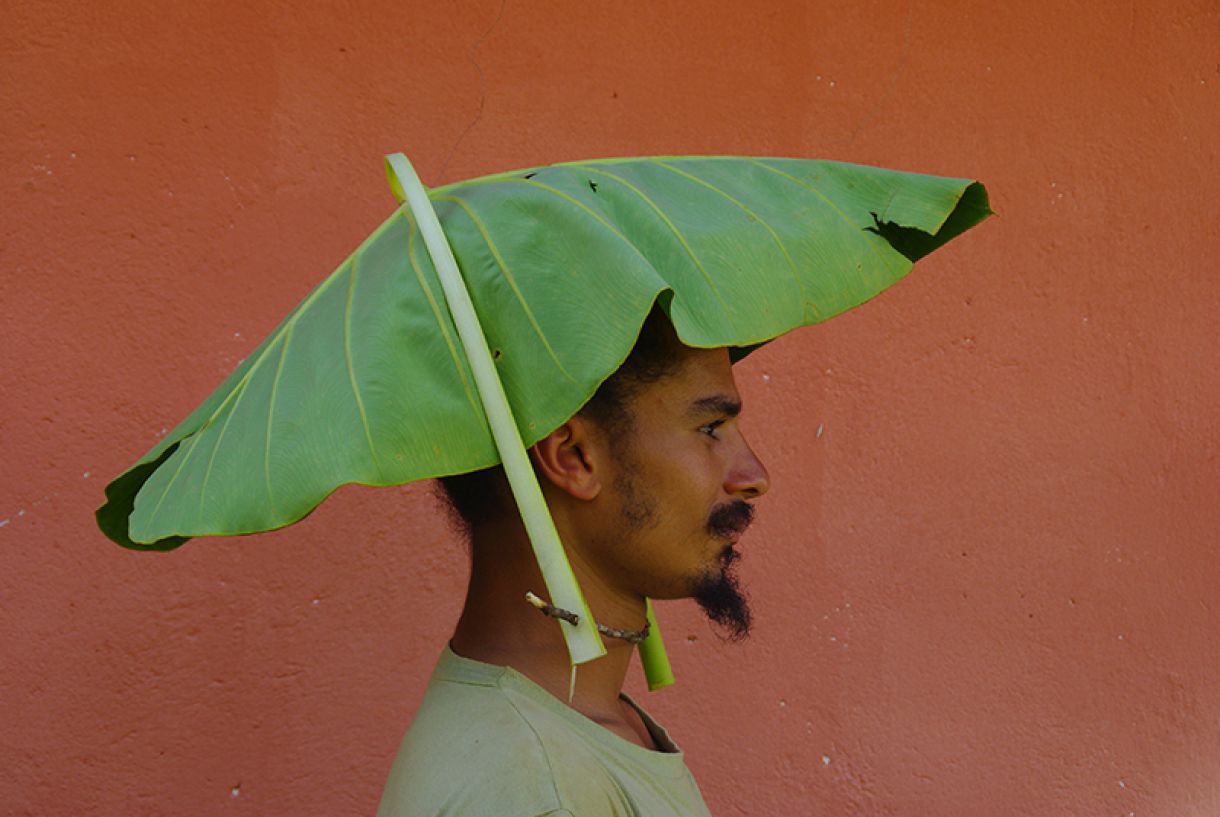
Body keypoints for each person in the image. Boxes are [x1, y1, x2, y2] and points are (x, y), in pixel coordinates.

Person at [376, 309, 770, 816]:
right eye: (711, 427)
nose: (754, 475)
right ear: (573, 457)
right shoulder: (538, 789)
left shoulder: (573, 739)